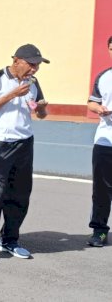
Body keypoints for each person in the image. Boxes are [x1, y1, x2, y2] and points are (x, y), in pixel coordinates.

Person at [0, 44, 49, 265]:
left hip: (25, 142)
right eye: (31, 64)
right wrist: (12, 94)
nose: (34, 70)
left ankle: (9, 239)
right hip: (1, 143)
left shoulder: (33, 83)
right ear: (16, 61)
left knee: (21, 194)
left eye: (37, 66)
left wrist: (42, 109)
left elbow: (40, 114)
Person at [86, 35, 112, 247]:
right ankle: (99, 231)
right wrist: (99, 109)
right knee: (102, 190)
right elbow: (91, 103)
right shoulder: (104, 77)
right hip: (105, 141)